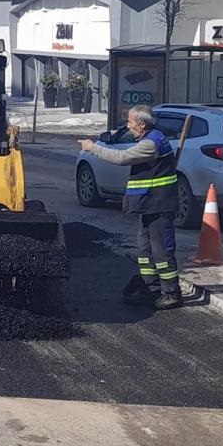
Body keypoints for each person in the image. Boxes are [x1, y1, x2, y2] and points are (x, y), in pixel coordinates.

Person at [79, 105, 182, 309]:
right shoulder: (149, 139)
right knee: (144, 250)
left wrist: (93, 148)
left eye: (131, 122)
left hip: (158, 205)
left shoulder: (152, 144)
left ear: (142, 124)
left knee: (161, 251)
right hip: (148, 205)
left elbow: (122, 158)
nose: (128, 126)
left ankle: (171, 292)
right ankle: (151, 288)